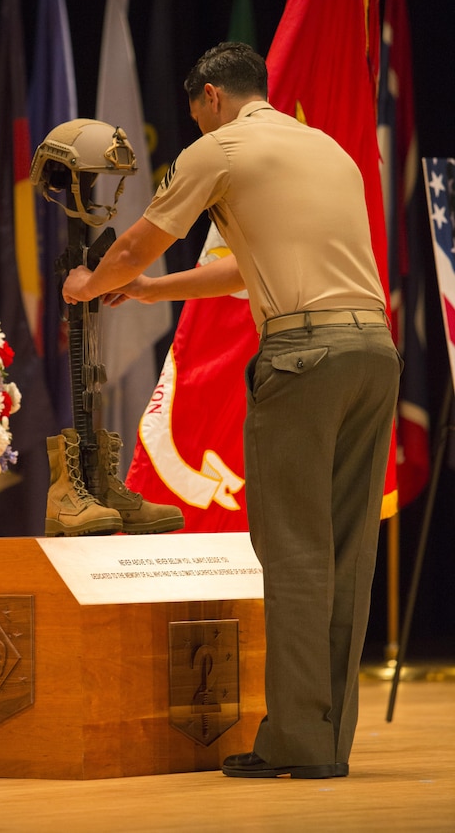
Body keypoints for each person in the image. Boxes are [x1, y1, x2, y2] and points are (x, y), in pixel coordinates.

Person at [62, 42, 402, 779]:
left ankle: (293, 746)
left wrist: (92, 285)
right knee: (348, 557)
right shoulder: (325, 149)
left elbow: (136, 243)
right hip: (375, 353)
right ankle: (324, 744)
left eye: (196, 114)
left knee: (294, 552)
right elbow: (244, 267)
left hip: (303, 359)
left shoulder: (218, 149)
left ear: (211, 97)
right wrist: (152, 292)